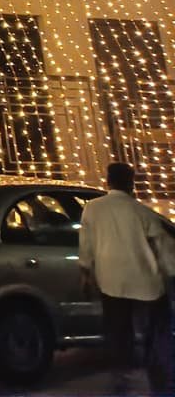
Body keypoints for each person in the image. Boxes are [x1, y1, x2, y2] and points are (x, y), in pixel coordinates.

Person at [79, 161, 174, 396]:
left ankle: (122, 381)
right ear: (131, 184)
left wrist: (86, 272)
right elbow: (162, 245)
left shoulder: (92, 208)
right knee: (156, 333)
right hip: (146, 283)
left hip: (111, 281)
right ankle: (160, 382)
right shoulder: (140, 211)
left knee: (118, 333)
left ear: (108, 181)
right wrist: (170, 272)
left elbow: (86, 244)